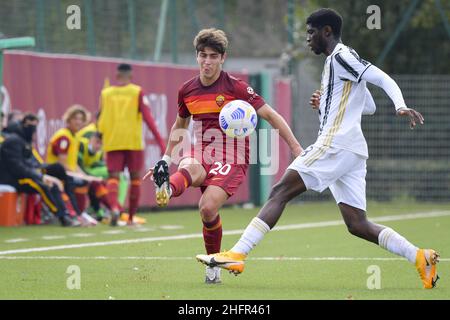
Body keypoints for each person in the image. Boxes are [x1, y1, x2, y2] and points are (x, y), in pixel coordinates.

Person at [196, 9, 439, 290]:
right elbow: (367, 106)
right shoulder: (334, 65)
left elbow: (382, 78)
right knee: (357, 224)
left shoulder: (342, 56)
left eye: (311, 32)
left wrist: (399, 105)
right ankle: (420, 257)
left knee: (280, 191)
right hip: (352, 150)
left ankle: (238, 253)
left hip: (335, 144)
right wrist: (325, 102)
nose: (308, 38)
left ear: (326, 32)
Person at [144, 28, 302, 284]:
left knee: (207, 208)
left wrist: (296, 149)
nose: (207, 61)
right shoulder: (187, 90)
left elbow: (271, 116)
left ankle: (213, 264)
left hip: (232, 155)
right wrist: (165, 159)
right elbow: (180, 125)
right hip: (203, 149)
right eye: (203, 55)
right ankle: (167, 187)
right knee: (189, 165)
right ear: (197, 57)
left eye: (213, 56)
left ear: (222, 58)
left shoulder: (236, 87)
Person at [98, 63, 166, 226]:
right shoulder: (136, 91)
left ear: (116, 75)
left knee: (113, 177)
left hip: (112, 140)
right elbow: (148, 118)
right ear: (131, 75)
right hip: (133, 141)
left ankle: (114, 207)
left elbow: (99, 117)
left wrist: (100, 138)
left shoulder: (106, 93)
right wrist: (161, 143)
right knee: (135, 178)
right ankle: (130, 218)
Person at [0, 113, 79, 227]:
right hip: (10, 178)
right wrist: (40, 176)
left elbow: (30, 163)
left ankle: (71, 211)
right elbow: (17, 167)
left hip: (22, 175)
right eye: (31, 126)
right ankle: (62, 216)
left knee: (55, 173)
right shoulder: (13, 141)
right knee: (42, 184)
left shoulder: (23, 141)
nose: (33, 130)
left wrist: (42, 172)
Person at [46, 104, 100, 226]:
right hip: (54, 172)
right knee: (73, 181)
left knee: (90, 182)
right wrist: (78, 175)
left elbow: (73, 163)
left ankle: (100, 212)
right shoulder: (64, 136)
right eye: (75, 118)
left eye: (81, 119)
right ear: (69, 119)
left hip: (64, 171)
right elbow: (61, 162)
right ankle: (75, 214)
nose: (78, 122)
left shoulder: (73, 136)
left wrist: (84, 175)